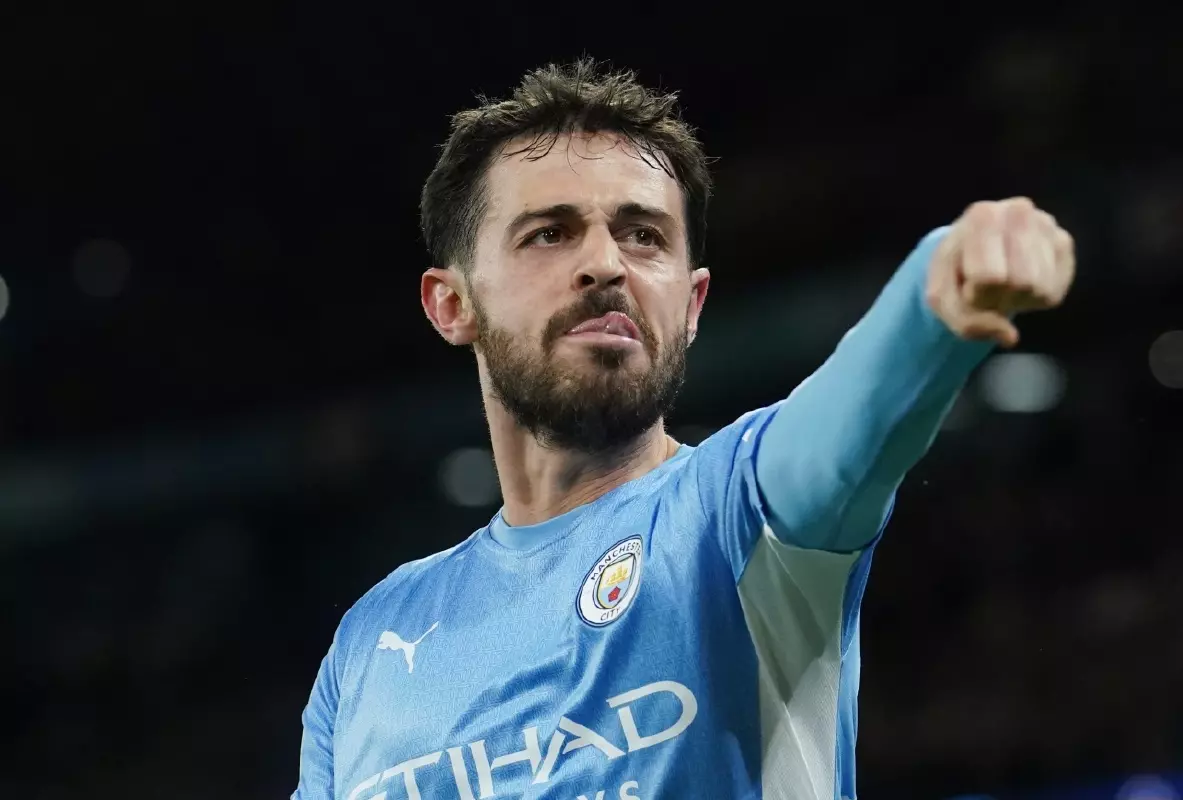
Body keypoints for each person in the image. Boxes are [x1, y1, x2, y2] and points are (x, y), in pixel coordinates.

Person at [292, 59, 1075, 800]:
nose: (605, 263)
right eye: (549, 233)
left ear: (692, 305)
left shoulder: (739, 517)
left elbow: (845, 432)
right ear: (451, 304)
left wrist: (941, 290)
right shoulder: (371, 643)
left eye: (644, 234)